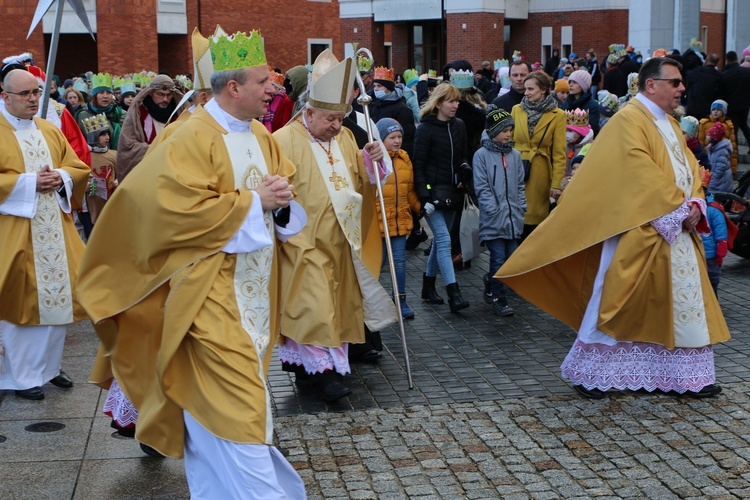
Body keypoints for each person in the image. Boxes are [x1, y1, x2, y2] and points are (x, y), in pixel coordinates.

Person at [76, 28, 306, 497]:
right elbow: (168, 212)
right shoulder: (189, 135)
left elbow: (281, 197)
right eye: (264, 81)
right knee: (238, 402)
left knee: (219, 405)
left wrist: (278, 201)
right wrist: (251, 201)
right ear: (233, 87)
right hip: (207, 294)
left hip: (257, 291)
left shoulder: (263, 134)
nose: (274, 89)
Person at [497, 57, 730, 400]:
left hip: (678, 230)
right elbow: (635, 171)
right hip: (638, 226)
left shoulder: (668, 122)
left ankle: (686, 377)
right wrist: (678, 207)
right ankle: (590, 374)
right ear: (652, 85)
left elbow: (690, 168)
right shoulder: (628, 120)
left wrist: (695, 203)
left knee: (680, 305)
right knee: (616, 300)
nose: (682, 88)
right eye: (675, 82)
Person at [273, 49, 396, 402]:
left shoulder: (344, 138)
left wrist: (374, 161)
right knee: (312, 306)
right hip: (302, 242)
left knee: (337, 307)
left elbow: (364, 182)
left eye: (340, 118)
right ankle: (325, 375)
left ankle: (319, 371)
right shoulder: (283, 140)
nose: (336, 126)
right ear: (307, 112)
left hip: (343, 241)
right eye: (329, 118)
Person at [0, 69, 90, 400]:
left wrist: (62, 178)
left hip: (55, 229)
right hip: (14, 232)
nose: (33, 99)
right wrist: (28, 183)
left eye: (36, 93)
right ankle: (19, 377)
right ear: (5, 96)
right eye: (24, 94)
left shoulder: (49, 129)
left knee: (59, 302)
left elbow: (78, 166)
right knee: (19, 303)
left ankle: (48, 368)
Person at [413, 83, 471, 312]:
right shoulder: (425, 129)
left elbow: (464, 155)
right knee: (445, 241)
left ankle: (428, 287)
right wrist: (424, 195)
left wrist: (464, 172)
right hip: (433, 195)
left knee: (440, 241)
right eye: (451, 101)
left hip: (453, 192)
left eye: (457, 101)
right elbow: (418, 164)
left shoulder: (459, 126)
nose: (456, 105)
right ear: (438, 104)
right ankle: (453, 293)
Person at [472, 106, 525, 316]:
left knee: (511, 259)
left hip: (513, 218)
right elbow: (482, 186)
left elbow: (520, 184)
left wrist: (521, 206)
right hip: (493, 218)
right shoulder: (481, 155)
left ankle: (491, 282)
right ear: (493, 131)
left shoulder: (515, 155)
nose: (508, 134)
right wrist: (492, 209)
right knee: (498, 258)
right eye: (504, 130)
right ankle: (498, 297)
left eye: (510, 130)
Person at [511, 71, 566, 237]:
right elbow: (509, 141)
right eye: (525, 89)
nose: (526, 93)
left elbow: (559, 153)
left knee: (534, 223)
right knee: (515, 219)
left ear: (543, 90)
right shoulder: (516, 110)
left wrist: (556, 184)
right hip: (516, 169)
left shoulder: (558, 115)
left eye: (530, 89)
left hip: (539, 172)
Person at [375, 118, 421, 319]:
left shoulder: (404, 159)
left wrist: (420, 208)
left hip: (400, 219)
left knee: (400, 262)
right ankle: (372, 303)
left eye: (399, 136)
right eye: (391, 137)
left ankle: (400, 300)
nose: (396, 141)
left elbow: (409, 190)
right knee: (377, 263)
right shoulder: (373, 160)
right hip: (378, 221)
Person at [116, 74, 184, 180]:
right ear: (151, 93)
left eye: (169, 95)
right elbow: (127, 145)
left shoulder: (180, 113)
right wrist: (153, 149)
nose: (165, 99)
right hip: (147, 172)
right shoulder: (139, 112)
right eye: (160, 94)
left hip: (175, 172)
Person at [79, 114, 118, 238]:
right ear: (93, 136)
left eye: (108, 134)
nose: (107, 137)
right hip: (88, 206)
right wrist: (82, 186)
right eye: (102, 134)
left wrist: (117, 182)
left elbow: (121, 175)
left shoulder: (114, 155)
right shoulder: (82, 156)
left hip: (109, 204)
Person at [369, 66, 416, 156]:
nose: (375, 89)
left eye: (379, 86)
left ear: (388, 88)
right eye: (374, 86)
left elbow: (407, 139)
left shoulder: (402, 109)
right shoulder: (376, 106)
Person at [75, 72, 125, 149]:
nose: (105, 96)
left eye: (108, 93)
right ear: (95, 96)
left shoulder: (121, 114)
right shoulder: (83, 115)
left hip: (116, 157)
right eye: (101, 93)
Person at [719, 51, 750, 155]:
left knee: (734, 129)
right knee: (744, 125)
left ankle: (734, 153)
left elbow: (721, 92)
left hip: (731, 106)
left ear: (727, 60)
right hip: (745, 104)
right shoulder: (746, 72)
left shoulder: (724, 75)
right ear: (737, 59)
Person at [697, 100, 738, 174]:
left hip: (722, 160)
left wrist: (733, 167)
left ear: (724, 111)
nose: (715, 112)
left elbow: (733, 146)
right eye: (713, 109)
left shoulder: (728, 125)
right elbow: (700, 142)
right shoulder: (704, 124)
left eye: (718, 110)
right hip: (706, 158)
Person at [563, 69, 600, 136]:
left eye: (575, 82)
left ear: (583, 86)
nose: (570, 85)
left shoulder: (593, 106)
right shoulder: (566, 103)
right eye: (570, 82)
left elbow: (591, 130)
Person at [686, 53, 721, 119]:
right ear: (716, 63)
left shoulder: (696, 71)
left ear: (706, 60)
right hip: (708, 109)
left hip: (693, 107)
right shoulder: (718, 75)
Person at [705, 121, 733, 193]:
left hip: (720, 185)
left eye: (708, 135)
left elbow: (718, 172)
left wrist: (710, 185)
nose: (706, 136)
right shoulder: (711, 148)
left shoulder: (722, 152)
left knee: (714, 202)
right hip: (716, 182)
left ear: (714, 138)